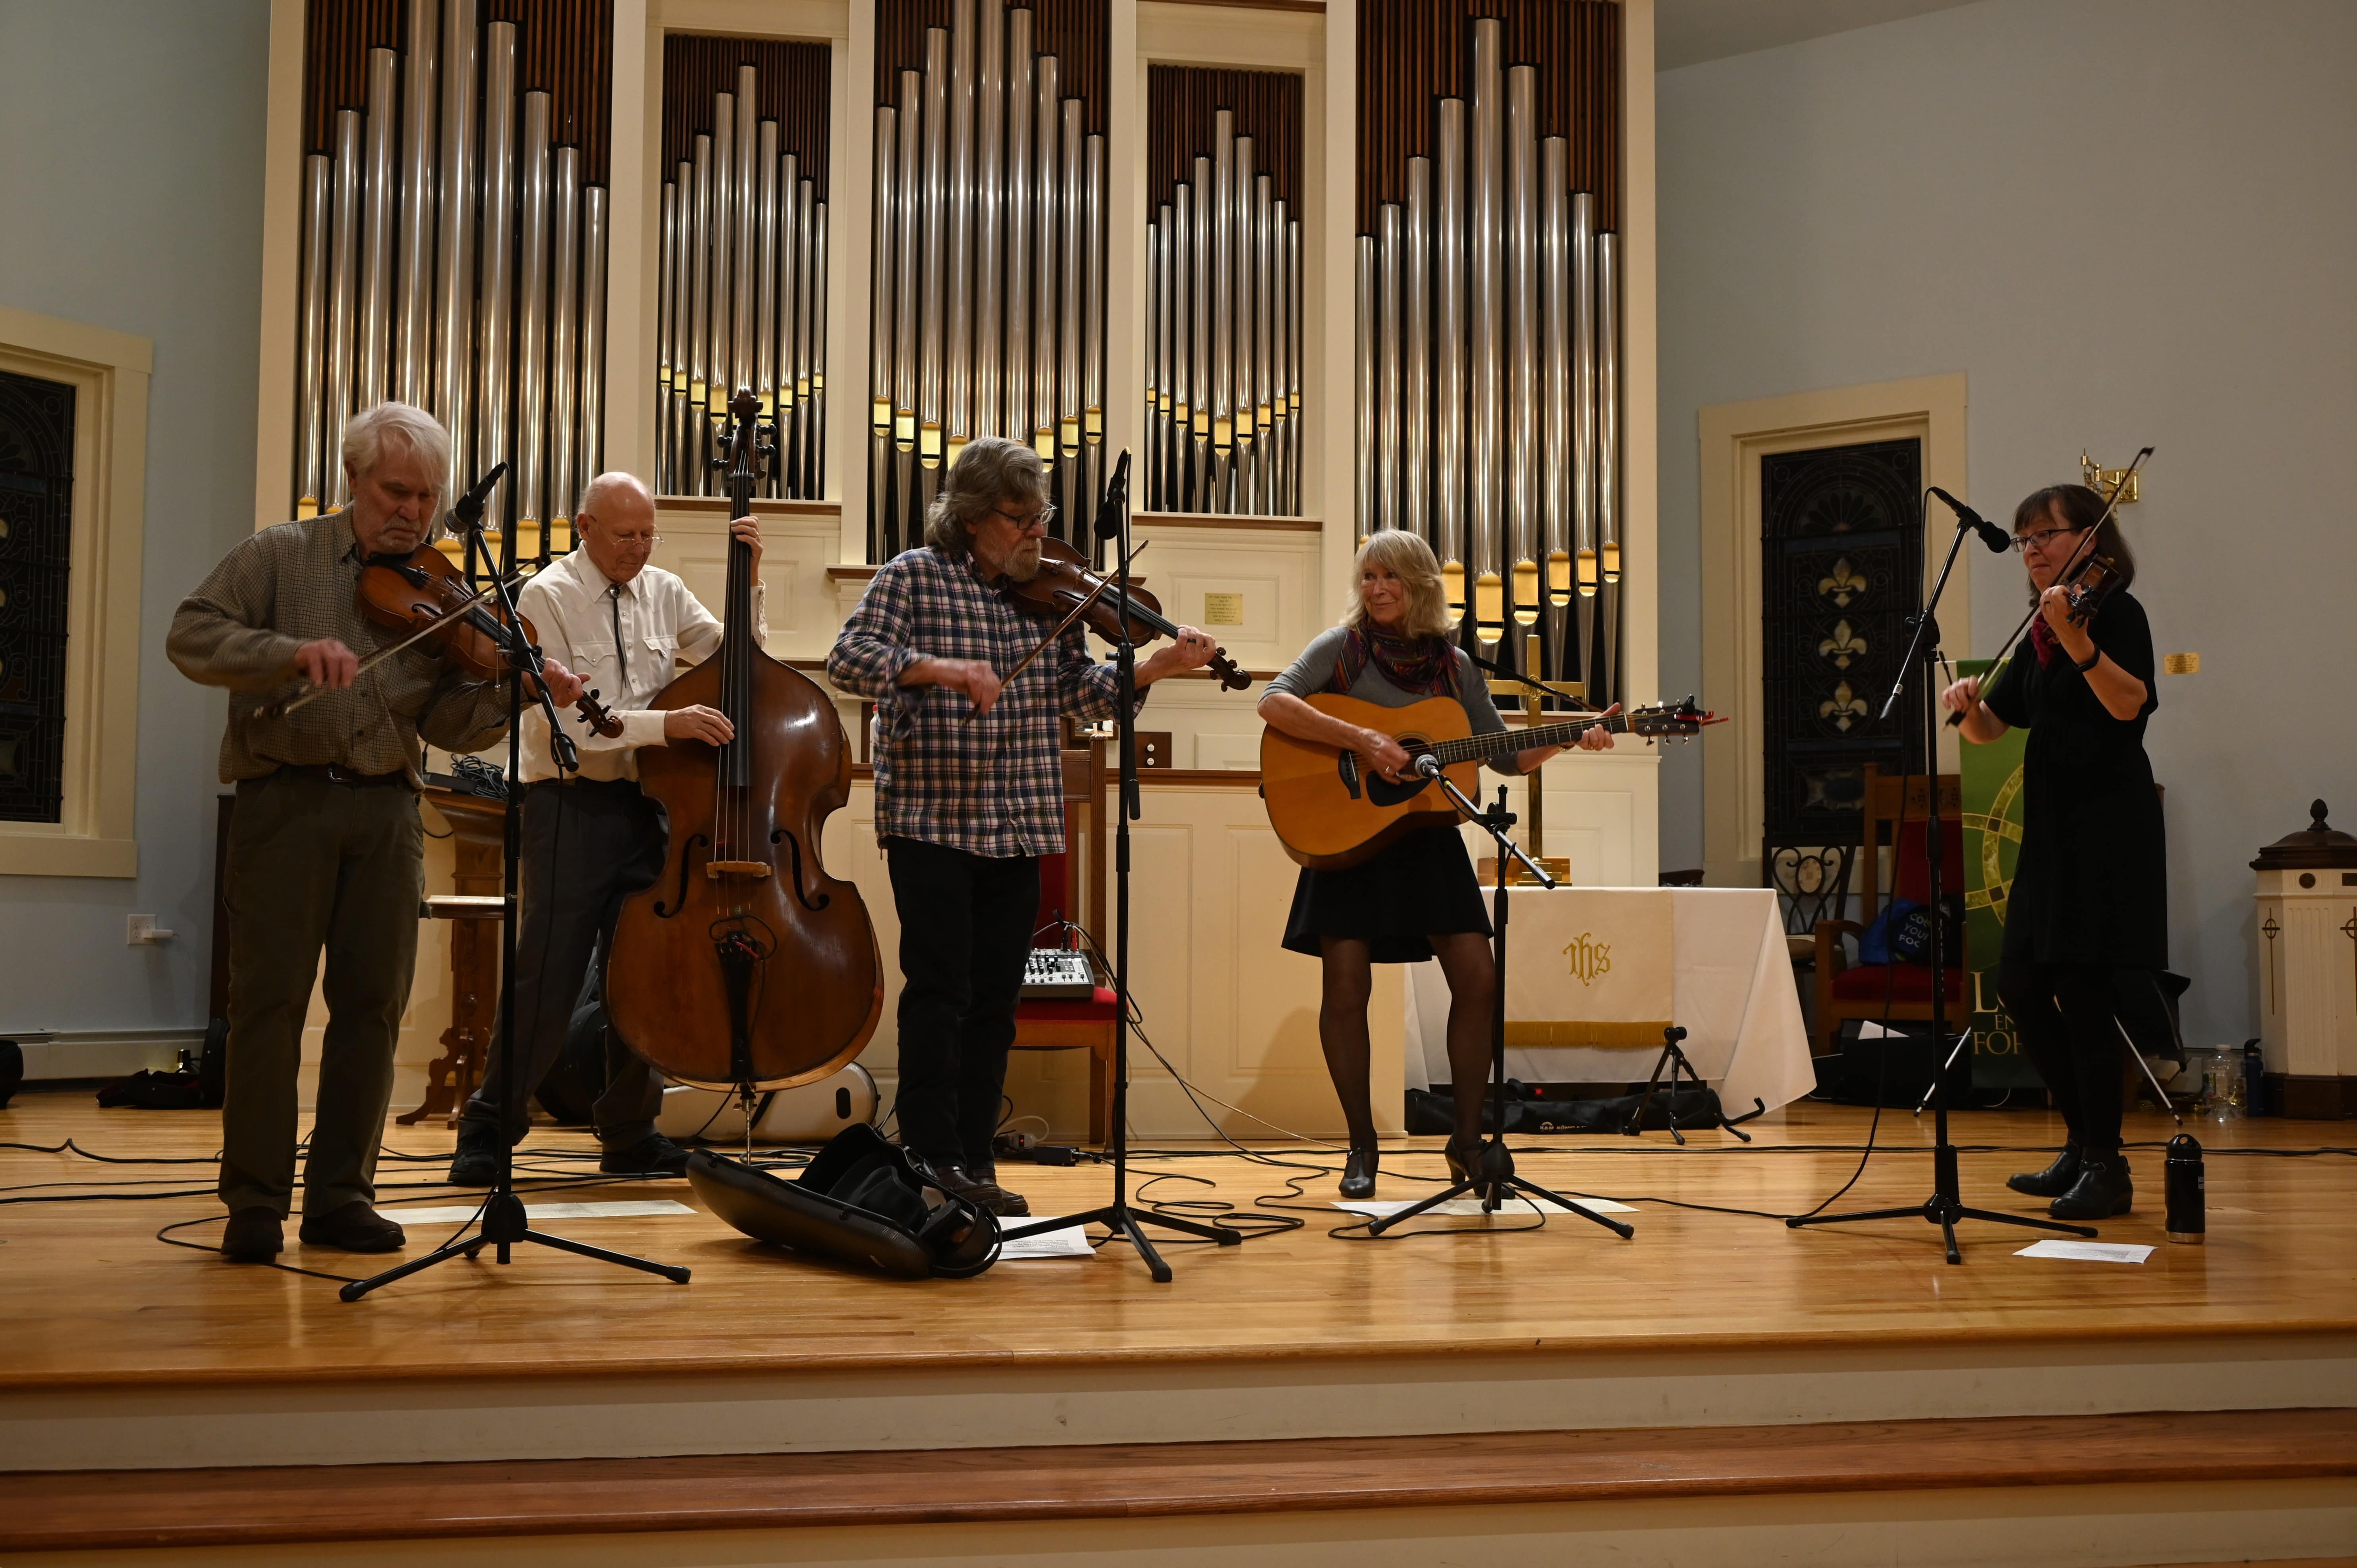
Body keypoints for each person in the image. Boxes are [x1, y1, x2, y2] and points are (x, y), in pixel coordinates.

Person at [168, 402, 585, 1263]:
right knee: (269, 1008)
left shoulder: (440, 590)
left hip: (389, 809)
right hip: (285, 803)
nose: (413, 512)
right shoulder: (280, 554)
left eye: (427, 497)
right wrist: (288, 653)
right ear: (353, 478)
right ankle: (255, 1201)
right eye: (397, 491)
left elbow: (449, 721)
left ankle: (341, 1198)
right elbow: (192, 633)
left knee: (373, 1009)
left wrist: (512, 690)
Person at [826, 438, 1217, 1215]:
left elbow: (1076, 691)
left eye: (1042, 515)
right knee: (940, 990)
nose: (1037, 531)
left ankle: (975, 1158)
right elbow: (848, 660)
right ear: (972, 517)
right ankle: (931, 1155)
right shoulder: (913, 575)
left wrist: (1152, 669)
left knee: (994, 1002)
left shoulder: (1047, 595)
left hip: (1022, 819)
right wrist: (938, 668)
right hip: (933, 818)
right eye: (1020, 517)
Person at [1258, 531, 1614, 1198]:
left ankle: (1467, 1141)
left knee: (1478, 978)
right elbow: (1274, 701)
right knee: (1346, 988)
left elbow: (1504, 755)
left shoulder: (1455, 667)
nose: (1377, 588)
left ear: (1420, 584)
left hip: (1426, 837)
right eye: (1369, 576)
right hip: (1347, 835)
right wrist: (1363, 738)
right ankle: (1362, 1143)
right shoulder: (1342, 649)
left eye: (1391, 576)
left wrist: (1573, 736)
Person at [446, 473, 766, 1184]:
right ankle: (489, 1128)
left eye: (649, 534)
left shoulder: (665, 590)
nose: (639, 547)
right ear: (585, 527)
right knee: (548, 971)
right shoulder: (545, 597)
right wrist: (670, 724)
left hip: (649, 807)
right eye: (625, 535)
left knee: (642, 973)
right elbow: (577, 724)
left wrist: (750, 583)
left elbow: (743, 665)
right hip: (570, 804)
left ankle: (630, 1131)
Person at [1943, 483, 2162, 1222]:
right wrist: (1968, 705)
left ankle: (2107, 1164)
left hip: (2106, 829)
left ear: (2089, 540)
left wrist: (2077, 638)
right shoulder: (2041, 630)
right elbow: (1993, 730)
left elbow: (2129, 704)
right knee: (2021, 987)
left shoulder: (2116, 613)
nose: (2031, 549)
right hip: (2051, 832)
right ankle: (2081, 1142)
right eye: (2024, 539)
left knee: (2087, 996)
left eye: (2046, 534)